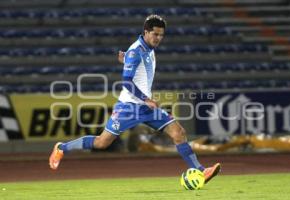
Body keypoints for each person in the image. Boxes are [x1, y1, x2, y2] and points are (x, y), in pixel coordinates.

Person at [49, 14, 221, 184]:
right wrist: (146, 98)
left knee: (179, 133)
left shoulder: (148, 50)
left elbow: (136, 71)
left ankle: (201, 171)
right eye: (155, 34)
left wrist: (126, 63)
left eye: (161, 35)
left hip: (146, 108)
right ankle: (61, 148)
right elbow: (127, 81)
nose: (158, 38)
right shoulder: (135, 51)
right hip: (129, 107)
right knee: (102, 143)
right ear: (146, 32)